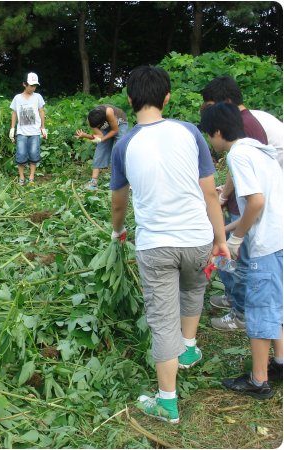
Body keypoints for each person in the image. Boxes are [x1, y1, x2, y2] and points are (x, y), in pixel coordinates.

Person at [110, 66, 228, 423]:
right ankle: (189, 349)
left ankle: (166, 401)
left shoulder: (124, 145)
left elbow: (119, 202)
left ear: (129, 101)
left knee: (163, 321)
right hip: (197, 238)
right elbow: (210, 192)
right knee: (194, 289)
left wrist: (118, 232)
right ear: (167, 97)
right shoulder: (189, 131)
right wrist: (220, 239)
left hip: (156, 245)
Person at [199, 102, 283, 398]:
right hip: (278, 238)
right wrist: (226, 231)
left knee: (259, 309)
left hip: (263, 244)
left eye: (210, 135)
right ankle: (280, 363)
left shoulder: (238, 155)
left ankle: (259, 381)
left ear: (219, 132)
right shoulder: (260, 150)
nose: (211, 141)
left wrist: (237, 238)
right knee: (274, 304)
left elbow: (256, 202)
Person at [75, 104, 129, 190]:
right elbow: (99, 136)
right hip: (107, 125)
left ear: (101, 123)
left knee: (120, 149)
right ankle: (93, 182)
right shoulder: (91, 120)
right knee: (100, 150)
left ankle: (126, 181)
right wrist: (85, 135)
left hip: (120, 123)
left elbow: (115, 130)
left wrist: (102, 139)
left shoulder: (109, 112)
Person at [9, 72, 48, 186]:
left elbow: (41, 111)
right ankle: (21, 177)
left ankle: (31, 178)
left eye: (35, 85)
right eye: (31, 85)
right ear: (24, 84)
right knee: (21, 154)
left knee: (33, 154)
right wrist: (12, 128)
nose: (33, 88)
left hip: (35, 132)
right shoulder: (17, 98)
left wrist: (43, 127)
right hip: (22, 132)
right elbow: (14, 113)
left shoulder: (38, 97)